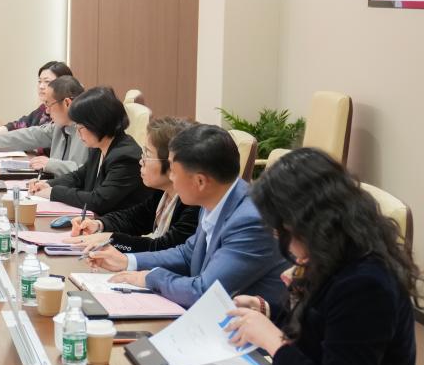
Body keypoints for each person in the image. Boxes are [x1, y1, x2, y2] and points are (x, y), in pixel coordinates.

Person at [224, 149, 423, 365]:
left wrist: (274, 341)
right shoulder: (338, 254)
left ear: (307, 224)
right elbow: (323, 326)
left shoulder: (366, 284)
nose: (282, 244)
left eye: (282, 232)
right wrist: (269, 310)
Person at [87, 123, 288, 308]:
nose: (171, 177)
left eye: (174, 171)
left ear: (200, 181)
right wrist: (128, 261)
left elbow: (204, 291)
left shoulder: (250, 220)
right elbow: (187, 254)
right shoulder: (216, 198)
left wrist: (149, 278)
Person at [65, 117, 199, 253]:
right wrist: (99, 225)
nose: (141, 161)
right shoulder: (162, 192)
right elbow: (134, 218)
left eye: (147, 154)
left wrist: (109, 239)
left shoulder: (193, 205)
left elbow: (164, 247)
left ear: (171, 164)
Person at [29, 86, 150, 215]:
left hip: (116, 224)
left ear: (97, 123)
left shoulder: (125, 157)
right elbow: (79, 176)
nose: (78, 133)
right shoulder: (100, 147)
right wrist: (48, 184)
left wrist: (54, 192)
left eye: (80, 127)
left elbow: (98, 201)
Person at [0, 76, 87, 176]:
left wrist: (50, 164)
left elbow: (87, 173)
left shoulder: (89, 131)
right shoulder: (59, 126)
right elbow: (31, 135)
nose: (47, 111)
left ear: (67, 103)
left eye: (49, 104)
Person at [0, 61, 73, 149]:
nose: (41, 86)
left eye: (47, 81)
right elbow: (18, 125)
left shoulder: (70, 118)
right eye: (39, 81)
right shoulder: (42, 109)